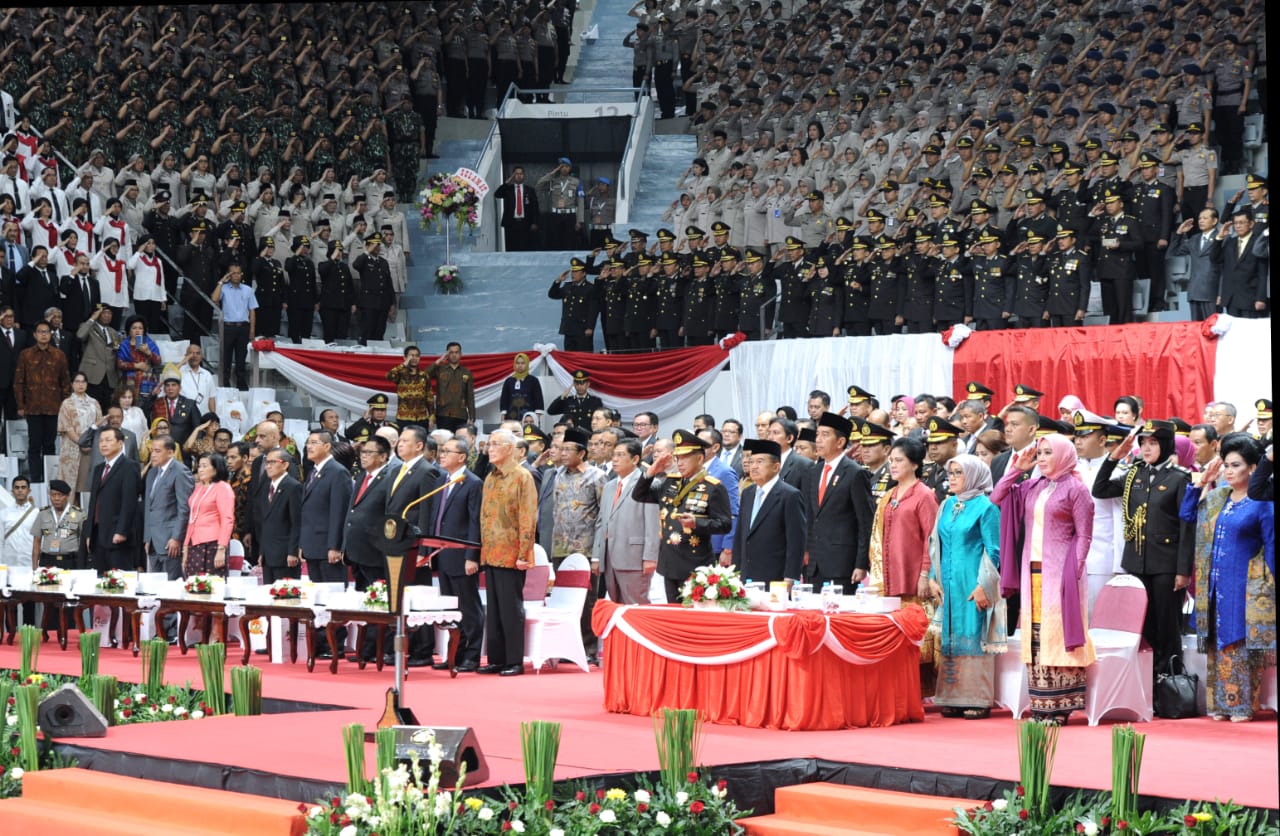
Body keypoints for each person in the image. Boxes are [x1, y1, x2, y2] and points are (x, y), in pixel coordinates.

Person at [992, 434, 1096, 724]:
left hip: (1062, 573)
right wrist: (1017, 468)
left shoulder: (1076, 490)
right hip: (1032, 570)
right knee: (1036, 635)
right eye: (1039, 453)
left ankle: (1060, 705)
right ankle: (1041, 703)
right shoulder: (1033, 486)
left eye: (1048, 453)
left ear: (1063, 455)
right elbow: (997, 497)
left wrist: (1073, 572)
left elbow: (1085, 534)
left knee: (1057, 633)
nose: (1041, 458)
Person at [1181, 433, 1275, 722]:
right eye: (1226, 465)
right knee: (1215, 643)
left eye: (1236, 465)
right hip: (1214, 583)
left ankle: (1242, 705)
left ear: (1253, 468)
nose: (1229, 471)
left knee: (1236, 642)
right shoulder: (1219, 497)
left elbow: (1271, 546)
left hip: (1244, 585)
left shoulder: (1263, 503)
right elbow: (1187, 515)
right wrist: (1200, 482)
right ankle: (1219, 705)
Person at [1092, 419, 1195, 672]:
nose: (1146, 449)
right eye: (1143, 443)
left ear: (1167, 444)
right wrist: (1113, 458)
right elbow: (1100, 489)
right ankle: (1149, 682)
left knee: (1166, 624)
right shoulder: (1134, 475)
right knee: (1144, 624)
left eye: (1153, 443)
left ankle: (1170, 680)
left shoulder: (1179, 478)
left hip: (1166, 565)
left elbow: (1187, 526)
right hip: (1137, 562)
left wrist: (1183, 570)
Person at [927, 454, 1004, 719]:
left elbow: (994, 549)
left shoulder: (986, 507)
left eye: (959, 473)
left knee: (973, 634)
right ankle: (951, 696)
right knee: (950, 635)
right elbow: (935, 543)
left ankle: (977, 698)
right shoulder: (947, 505)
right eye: (951, 473)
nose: (952, 478)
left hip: (972, 581)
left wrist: (984, 585)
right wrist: (931, 577)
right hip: (947, 580)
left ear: (973, 476)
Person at [633, 429, 732, 603]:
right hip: (669, 560)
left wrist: (697, 523)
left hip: (695, 563)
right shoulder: (671, 482)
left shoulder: (713, 487)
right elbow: (639, 495)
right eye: (677, 458)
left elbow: (724, 524)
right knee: (673, 612)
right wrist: (651, 472)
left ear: (700, 459)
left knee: (694, 615)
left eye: (685, 458)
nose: (680, 463)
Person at [478, 428, 538, 676]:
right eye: (489, 444)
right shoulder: (490, 477)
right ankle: (496, 658)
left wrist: (524, 553)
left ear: (510, 449)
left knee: (511, 609)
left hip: (512, 553)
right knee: (494, 609)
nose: (489, 449)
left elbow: (527, 518)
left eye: (495, 444)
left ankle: (514, 660)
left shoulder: (522, 477)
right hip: (491, 551)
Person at [429, 437, 485, 672]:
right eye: (441, 451)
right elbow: (436, 516)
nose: (441, 455)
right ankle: (455, 654)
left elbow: (475, 522)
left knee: (468, 607)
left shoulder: (472, 483)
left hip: (462, 556)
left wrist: (472, 555)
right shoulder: (442, 479)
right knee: (452, 609)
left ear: (461, 457)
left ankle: (472, 655)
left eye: (447, 452)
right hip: (443, 553)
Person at [803, 412, 874, 588]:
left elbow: (865, 523)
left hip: (842, 565)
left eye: (825, 435)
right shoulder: (813, 472)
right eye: (817, 434)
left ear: (840, 442)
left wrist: (861, 563)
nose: (818, 439)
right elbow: (811, 516)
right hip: (814, 564)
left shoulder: (855, 473)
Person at [592, 437, 659, 604]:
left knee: (636, 606)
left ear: (635, 459)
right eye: (614, 455)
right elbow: (601, 522)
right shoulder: (609, 486)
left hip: (634, 558)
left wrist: (650, 556)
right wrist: (596, 556)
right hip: (609, 557)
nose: (614, 459)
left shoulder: (649, 483)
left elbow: (653, 524)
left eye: (620, 455)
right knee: (616, 605)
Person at [734, 438, 806, 584]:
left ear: (776, 467)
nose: (753, 466)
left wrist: (791, 576)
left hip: (775, 576)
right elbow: (740, 535)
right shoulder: (748, 493)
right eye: (752, 462)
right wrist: (735, 570)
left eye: (760, 462)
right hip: (746, 574)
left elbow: (796, 541)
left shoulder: (790, 495)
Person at [14, 318, 70, 482]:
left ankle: (48, 479)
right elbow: (18, 381)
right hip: (33, 407)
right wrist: (20, 405)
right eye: (40, 332)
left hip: (54, 407)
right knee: (34, 445)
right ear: (34, 334)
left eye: (46, 332)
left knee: (50, 445)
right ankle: (36, 480)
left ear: (51, 334)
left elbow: (65, 382)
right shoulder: (26, 355)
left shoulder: (59, 355)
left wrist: (64, 406)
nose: (43, 335)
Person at [85, 427, 142, 573]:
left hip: (118, 535)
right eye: (101, 441)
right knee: (101, 581)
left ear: (120, 443)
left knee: (119, 581)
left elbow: (129, 503)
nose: (103, 444)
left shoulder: (129, 466)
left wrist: (122, 531)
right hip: (98, 534)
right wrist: (89, 533)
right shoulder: (99, 469)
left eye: (108, 440)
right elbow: (93, 503)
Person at [142, 436, 194, 580]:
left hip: (171, 540)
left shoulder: (180, 471)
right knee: (154, 587)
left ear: (171, 452)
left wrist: (177, 537)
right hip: (153, 541)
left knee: (171, 587)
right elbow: (149, 507)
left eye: (157, 451)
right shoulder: (152, 472)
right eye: (151, 451)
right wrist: (148, 537)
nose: (153, 455)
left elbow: (184, 508)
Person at [253, 449, 303, 584]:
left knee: (285, 595)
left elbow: (296, 523)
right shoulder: (266, 488)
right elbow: (265, 523)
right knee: (269, 595)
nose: (268, 466)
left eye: (272, 462)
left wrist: (293, 552)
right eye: (266, 462)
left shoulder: (293, 487)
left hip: (285, 555)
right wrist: (262, 551)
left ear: (285, 465)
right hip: (268, 554)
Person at [183, 452, 235, 578]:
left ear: (216, 468)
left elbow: (227, 519)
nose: (200, 469)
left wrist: (221, 548)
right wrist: (185, 547)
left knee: (211, 584)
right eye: (199, 466)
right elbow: (192, 518)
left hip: (213, 543)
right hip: (194, 542)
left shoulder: (223, 487)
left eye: (205, 466)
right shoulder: (199, 487)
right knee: (193, 582)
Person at [212, 263, 258, 390]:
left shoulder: (248, 290)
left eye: (238, 273)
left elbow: (252, 311)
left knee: (241, 358)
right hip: (228, 327)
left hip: (243, 327)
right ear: (229, 274)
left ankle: (241, 385)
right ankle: (225, 385)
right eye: (233, 273)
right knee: (226, 358)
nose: (236, 276)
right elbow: (214, 298)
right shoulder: (224, 288)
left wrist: (252, 330)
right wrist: (221, 282)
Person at [30, 479, 87, 570]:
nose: (56, 498)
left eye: (60, 495)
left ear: (67, 496)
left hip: (70, 561)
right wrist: (34, 566)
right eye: (53, 495)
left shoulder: (79, 514)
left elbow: (85, 541)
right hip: (47, 561)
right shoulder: (42, 514)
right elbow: (36, 542)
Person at [57, 372, 101, 490]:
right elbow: (67, 427)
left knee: (87, 485)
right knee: (71, 486)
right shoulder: (67, 403)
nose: (80, 384)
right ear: (72, 384)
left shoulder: (94, 402)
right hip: (72, 447)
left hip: (91, 447)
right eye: (77, 381)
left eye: (83, 382)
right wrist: (82, 442)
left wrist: (90, 443)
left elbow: (99, 424)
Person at [427, 342, 475, 432]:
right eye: (451, 352)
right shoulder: (440, 369)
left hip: (460, 414)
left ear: (461, 354)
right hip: (443, 413)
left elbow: (470, 396)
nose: (454, 355)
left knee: (459, 443)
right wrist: (440, 360)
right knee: (444, 443)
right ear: (447, 354)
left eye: (456, 352)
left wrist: (472, 417)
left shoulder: (467, 372)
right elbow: (424, 376)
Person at [495, 166, 539, 251]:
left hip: (526, 222)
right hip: (511, 223)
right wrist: (507, 183)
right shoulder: (508, 189)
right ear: (513, 176)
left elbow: (535, 207)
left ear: (524, 175)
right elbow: (497, 194)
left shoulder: (530, 190)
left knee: (526, 246)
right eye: (516, 174)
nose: (519, 176)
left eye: (521, 174)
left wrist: (535, 222)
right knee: (512, 247)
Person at [1, 477, 36, 568]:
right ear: (12, 491)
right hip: (9, 563)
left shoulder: (36, 513)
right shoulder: (4, 513)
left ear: (29, 490)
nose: (20, 490)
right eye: (17, 488)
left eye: (23, 487)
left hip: (29, 563)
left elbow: (40, 541)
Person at [499, 353, 544, 421]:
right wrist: (503, 417)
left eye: (522, 363)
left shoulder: (533, 380)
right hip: (511, 418)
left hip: (528, 419)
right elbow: (504, 400)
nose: (520, 365)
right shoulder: (509, 381)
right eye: (517, 363)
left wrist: (536, 419)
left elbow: (538, 401)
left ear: (527, 364)